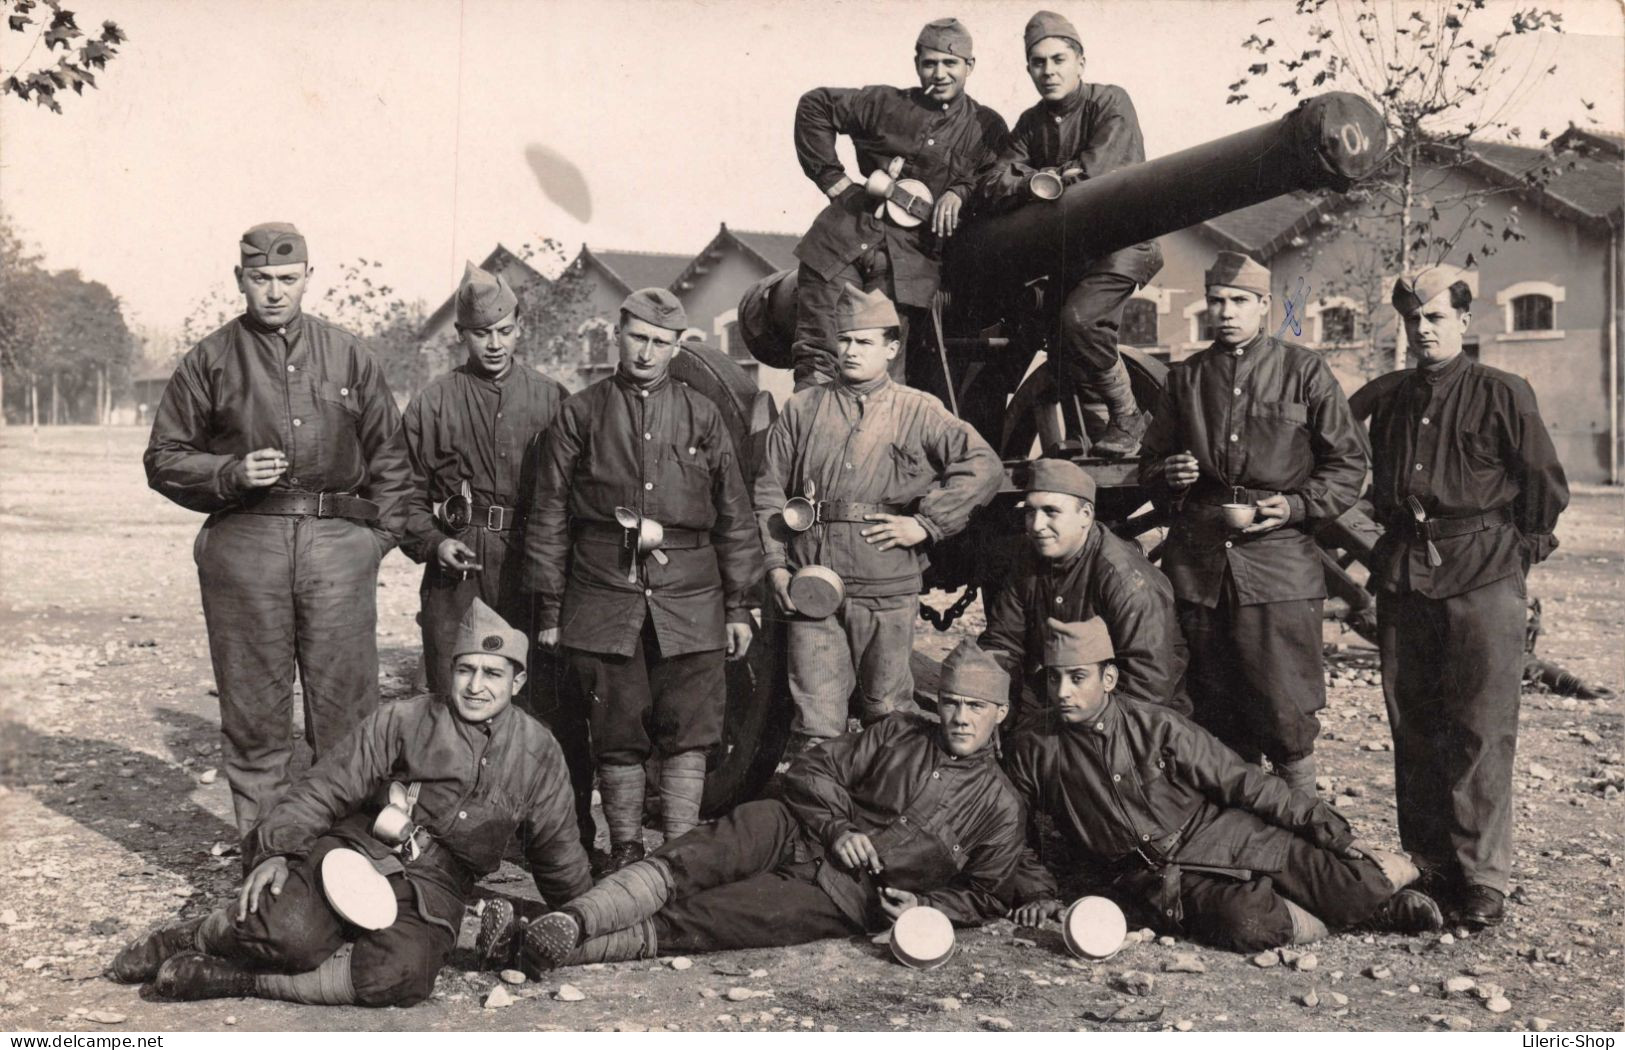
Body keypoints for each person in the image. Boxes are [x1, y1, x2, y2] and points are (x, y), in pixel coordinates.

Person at [110, 600, 592, 1006]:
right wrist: (280, 850)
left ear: (518, 681)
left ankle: (235, 980)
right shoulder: (405, 719)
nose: (475, 686)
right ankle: (194, 936)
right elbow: (328, 786)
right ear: (451, 671)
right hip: (360, 850)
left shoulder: (539, 751)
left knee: (399, 979)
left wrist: (584, 912)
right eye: (466, 669)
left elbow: (558, 848)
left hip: (437, 890)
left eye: (492, 673)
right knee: (286, 936)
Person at [477, 639, 1027, 972]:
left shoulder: (1000, 806)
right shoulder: (899, 733)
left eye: (976, 707)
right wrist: (837, 827)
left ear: (999, 713)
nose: (960, 717)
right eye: (952, 702)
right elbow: (813, 769)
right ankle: (574, 919)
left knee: (708, 918)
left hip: (841, 896)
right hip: (792, 826)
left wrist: (927, 910)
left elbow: (986, 894)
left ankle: (533, 943)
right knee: (690, 860)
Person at [144, 222, 413, 842]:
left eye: (287, 279)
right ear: (239, 278)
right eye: (260, 279)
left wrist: (373, 544)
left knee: (347, 717)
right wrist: (231, 471)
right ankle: (265, 867)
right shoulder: (208, 360)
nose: (274, 292)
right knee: (255, 717)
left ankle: (345, 863)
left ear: (308, 278)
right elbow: (163, 459)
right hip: (246, 545)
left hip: (337, 546)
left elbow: (395, 464)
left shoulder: (351, 356)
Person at [1006, 618, 1444, 952]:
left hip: (1225, 834)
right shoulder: (1034, 747)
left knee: (1350, 881)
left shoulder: (1156, 726)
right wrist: (1037, 891)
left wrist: (1329, 829)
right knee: (1247, 924)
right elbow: (1012, 830)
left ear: (1109, 679)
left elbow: (1243, 782)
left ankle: (1377, 894)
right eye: (1054, 678)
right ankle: (1349, 914)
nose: (1063, 691)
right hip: (1153, 878)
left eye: (1077, 677)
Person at [1357, 268, 1569, 928]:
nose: (1423, 329)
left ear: (1462, 322)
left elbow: (1543, 488)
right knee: (1413, 725)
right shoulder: (1388, 398)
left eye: (1436, 318)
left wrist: (1515, 557)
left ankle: (1480, 880)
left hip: (1482, 575)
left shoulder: (1503, 392)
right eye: (1412, 320)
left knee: (1478, 728)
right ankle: (1428, 869)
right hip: (1404, 577)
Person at [524, 288, 764, 873]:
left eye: (661, 342)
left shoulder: (703, 415)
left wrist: (739, 606)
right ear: (617, 334)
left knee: (691, 722)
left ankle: (680, 846)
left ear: (679, 346)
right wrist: (552, 611)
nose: (647, 352)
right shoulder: (580, 413)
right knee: (616, 719)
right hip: (603, 587)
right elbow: (550, 514)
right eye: (638, 337)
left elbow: (735, 514)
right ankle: (626, 846)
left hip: (693, 592)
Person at [1136, 251, 1366, 795]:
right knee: (1213, 707)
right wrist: (1169, 472)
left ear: (1264, 306)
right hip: (1200, 568)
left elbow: (1349, 464)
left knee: (1287, 710)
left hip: (1280, 565)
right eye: (1217, 301)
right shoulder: (1185, 379)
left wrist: (1296, 506)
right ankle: (1234, 842)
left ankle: (1304, 835)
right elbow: (1147, 466)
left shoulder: (1303, 370)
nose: (1227, 312)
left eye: (1239, 301)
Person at [756, 284, 1002, 750]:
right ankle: (826, 818)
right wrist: (774, 565)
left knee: (889, 715)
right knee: (816, 724)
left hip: (886, 585)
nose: (851, 351)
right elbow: (769, 489)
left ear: (890, 349)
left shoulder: (918, 410)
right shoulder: (802, 409)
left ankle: (883, 815)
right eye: (844, 339)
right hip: (813, 583)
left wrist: (926, 523)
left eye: (865, 342)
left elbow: (983, 466)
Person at [399, 264, 591, 848]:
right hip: (460, 564)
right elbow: (400, 495)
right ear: (462, 334)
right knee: (456, 690)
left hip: (532, 557)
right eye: (482, 333)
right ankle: (454, 837)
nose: (495, 343)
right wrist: (434, 542)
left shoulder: (553, 398)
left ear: (519, 328)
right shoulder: (433, 403)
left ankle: (549, 832)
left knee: (541, 693)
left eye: (505, 330)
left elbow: (577, 491)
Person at [978, 10, 1163, 458]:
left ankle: (1128, 418)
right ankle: (1097, 438)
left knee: (1079, 321)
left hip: (1122, 244)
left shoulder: (1110, 103)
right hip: (1070, 255)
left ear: (1081, 61)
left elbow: (1099, 179)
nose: (1049, 71)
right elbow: (992, 183)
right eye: (1038, 63)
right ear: (1028, 69)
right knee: (1057, 345)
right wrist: (1041, 180)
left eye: (1059, 59)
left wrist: (1036, 179)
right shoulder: (1029, 123)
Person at [790, 18, 1009, 390]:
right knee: (818, 366)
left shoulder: (986, 128)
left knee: (882, 383)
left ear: (970, 66)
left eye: (950, 64)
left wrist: (959, 192)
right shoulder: (885, 103)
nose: (939, 74)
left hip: (907, 267)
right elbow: (816, 105)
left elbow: (996, 178)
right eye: (930, 63)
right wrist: (833, 180)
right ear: (917, 64)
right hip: (841, 244)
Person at [979, 457, 1185, 730]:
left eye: (1051, 512)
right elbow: (1003, 643)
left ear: (1086, 516)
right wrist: (990, 703)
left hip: (1139, 718)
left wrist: (1075, 742)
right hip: (1066, 696)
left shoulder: (1126, 581)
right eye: (1030, 511)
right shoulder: (1028, 559)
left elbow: (1148, 688)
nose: (1036, 525)